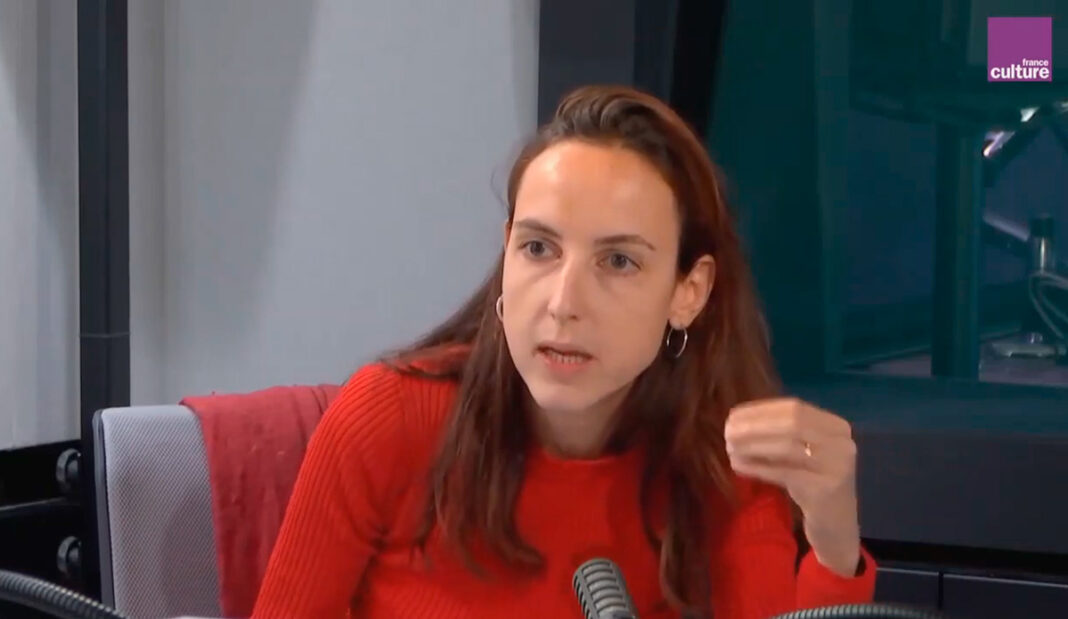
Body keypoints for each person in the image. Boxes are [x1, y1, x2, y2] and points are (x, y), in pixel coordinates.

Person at [251, 85, 876, 619]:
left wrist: (833, 544)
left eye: (619, 261)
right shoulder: (389, 416)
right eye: (538, 249)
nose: (563, 302)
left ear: (688, 292)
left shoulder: (727, 464)